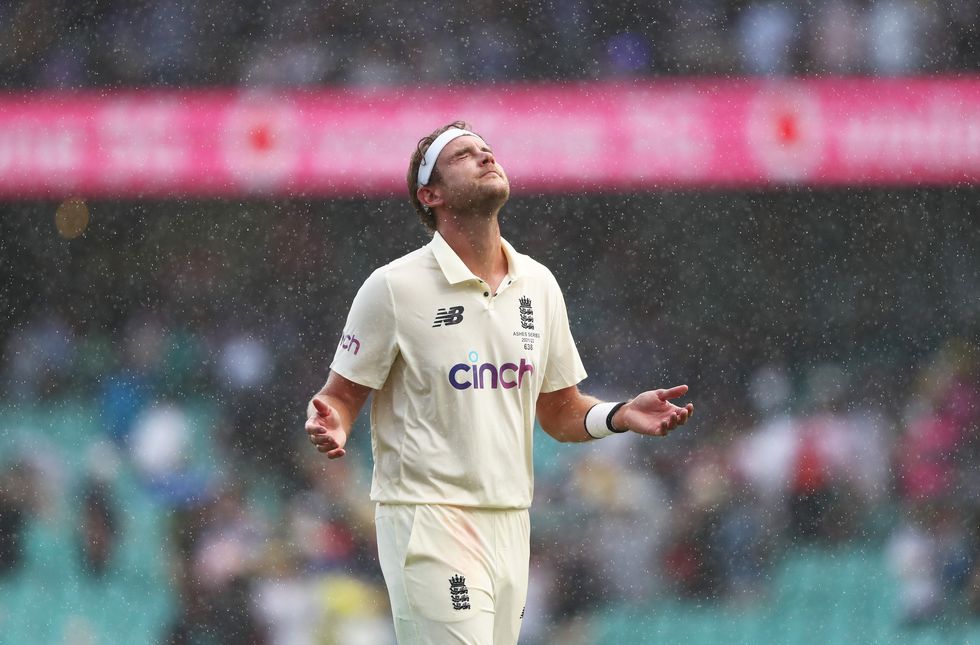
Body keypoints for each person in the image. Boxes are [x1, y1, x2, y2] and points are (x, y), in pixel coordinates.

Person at [304, 120, 694, 644]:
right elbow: (341, 395)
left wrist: (619, 414)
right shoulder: (393, 287)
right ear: (431, 194)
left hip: (511, 520)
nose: (486, 157)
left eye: (487, 150)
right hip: (429, 517)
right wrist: (332, 420)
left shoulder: (539, 284)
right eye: (463, 155)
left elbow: (559, 411)